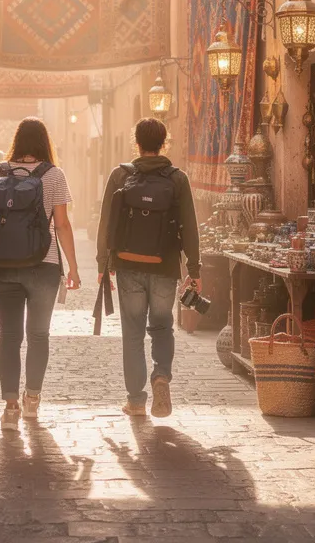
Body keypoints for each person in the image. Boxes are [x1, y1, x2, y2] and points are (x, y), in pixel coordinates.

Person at [0, 118, 81, 431]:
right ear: (44, 142)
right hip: (44, 265)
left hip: (3, 267)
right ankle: (32, 399)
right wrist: (73, 267)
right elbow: (61, 224)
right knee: (39, 335)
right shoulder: (54, 174)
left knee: (9, 335)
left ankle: (10, 407)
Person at [95, 118, 200, 419]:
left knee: (133, 333)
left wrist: (103, 264)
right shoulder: (177, 179)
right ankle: (162, 376)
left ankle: (136, 401)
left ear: (136, 143)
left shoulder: (120, 175)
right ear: (164, 142)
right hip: (165, 266)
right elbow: (190, 227)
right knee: (162, 325)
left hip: (128, 265)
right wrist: (195, 268)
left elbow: (106, 223)